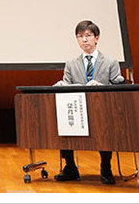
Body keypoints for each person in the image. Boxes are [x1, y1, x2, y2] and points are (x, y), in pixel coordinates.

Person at [52, 20, 125, 185]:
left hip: (102, 109)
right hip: (78, 109)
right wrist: (63, 84)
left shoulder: (110, 62)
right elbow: (67, 84)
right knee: (64, 121)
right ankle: (70, 167)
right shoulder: (71, 64)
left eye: (88, 36)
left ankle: (106, 168)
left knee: (105, 127)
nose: (84, 40)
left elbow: (117, 85)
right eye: (80, 36)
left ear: (96, 38)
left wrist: (103, 86)